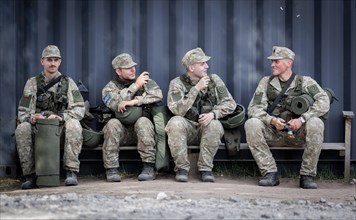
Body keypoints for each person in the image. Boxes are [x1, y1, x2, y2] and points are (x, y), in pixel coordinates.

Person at [244, 46, 330, 189]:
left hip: (297, 134)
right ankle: (270, 173)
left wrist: (302, 119)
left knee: (316, 123)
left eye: (276, 61)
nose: (272, 65)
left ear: (289, 63)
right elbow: (253, 108)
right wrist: (271, 120)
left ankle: (307, 176)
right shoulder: (266, 82)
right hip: (274, 133)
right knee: (251, 123)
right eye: (272, 62)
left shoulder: (304, 82)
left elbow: (324, 101)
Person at [15, 45, 85, 189]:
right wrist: (31, 118)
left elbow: (79, 109)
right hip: (39, 129)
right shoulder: (32, 83)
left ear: (60, 62)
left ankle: (71, 172)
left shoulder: (68, 82)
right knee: (22, 128)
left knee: (74, 125)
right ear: (42, 61)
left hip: (59, 130)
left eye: (56, 60)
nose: (53, 63)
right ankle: (30, 175)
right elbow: (23, 112)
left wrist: (61, 117)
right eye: (49, 60)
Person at [165, 48, 237, 182]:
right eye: (202, 64)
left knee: (214, 124)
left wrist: (213, 114)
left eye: (206, 63)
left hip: (207, 128)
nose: (207, 66)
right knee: (175, 122)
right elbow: (177, 110)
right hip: (188, 129)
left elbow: (230, 104)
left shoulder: (214, 80)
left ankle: (206, 169)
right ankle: (181, 169)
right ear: (191, 67)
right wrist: (196, 89)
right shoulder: (177, 83)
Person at [101, 53, 163, 182]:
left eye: (133, 66)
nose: (133, 69)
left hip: (142, 132)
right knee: (112, 123)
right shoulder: (109, 88)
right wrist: (135, 86)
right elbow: (115, 103)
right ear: (118, 71)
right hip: (121, 133)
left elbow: (158, 95)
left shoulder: (144, 81)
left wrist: (135, 101)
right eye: (128, 68)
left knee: (143, 121)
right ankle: (111, 169)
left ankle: (148, 167)